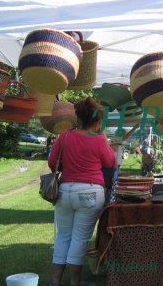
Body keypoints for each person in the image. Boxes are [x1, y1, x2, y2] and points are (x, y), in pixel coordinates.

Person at [48, 97, 116, 286]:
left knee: (63, 236)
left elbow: (52, 163)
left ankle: (55, 281)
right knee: (80, 239)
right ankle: (75, 282)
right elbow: (111, 163)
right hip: (90, 192)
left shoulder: (65, 136)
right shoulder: (99, 139)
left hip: (65, 191)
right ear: (97, 122)